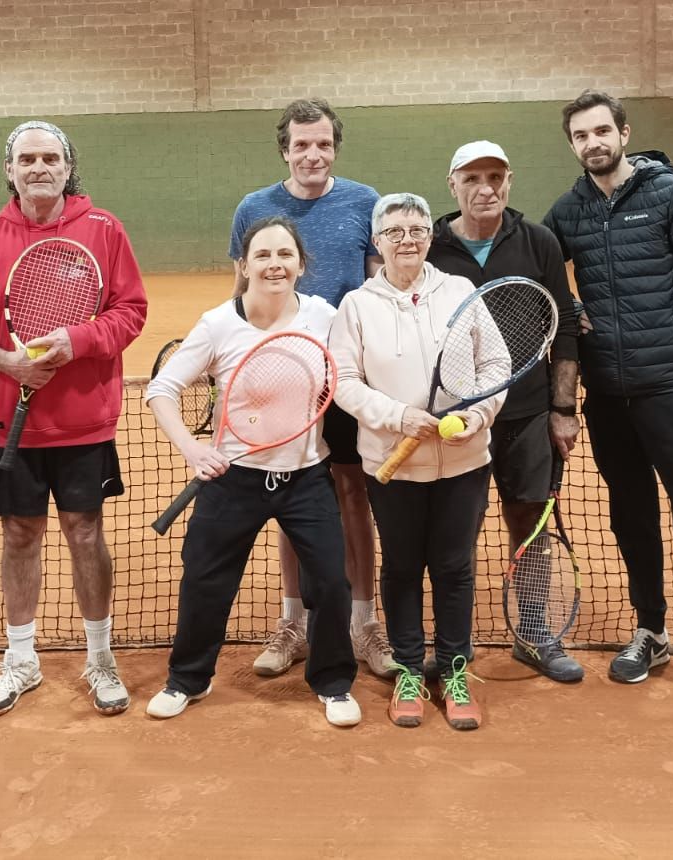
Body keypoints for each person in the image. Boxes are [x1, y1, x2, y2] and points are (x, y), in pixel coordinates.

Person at [542, 91, 673, 723]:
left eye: (602, 130)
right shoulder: (568, 211)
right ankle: (651, 631)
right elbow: (538, 268)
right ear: (572, 144)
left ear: (624, 133)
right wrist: (570, 307)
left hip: (671, 391)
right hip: (607, 397)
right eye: (581, 135)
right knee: (631, 520)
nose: (593, 142)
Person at [0, 120, 147, 718]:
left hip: (85, 421)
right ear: (9, 170)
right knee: (19, 533)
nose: (39, 167)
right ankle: (21, 659)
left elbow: (131, 311)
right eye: (27, 159)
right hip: (12, 419)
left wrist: (77, 340)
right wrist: (5, 361)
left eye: (51, 158)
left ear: (68, 167)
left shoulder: (104, 230)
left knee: (85, 532)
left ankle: (100, 658)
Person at [144, 216, 360, 727]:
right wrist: (192, 449)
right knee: (204, 581)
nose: (274, 264)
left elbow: (353, 374)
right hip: (232, 478)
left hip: (306, 475)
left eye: (285, 254)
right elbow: (162, 389)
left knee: (331, 582)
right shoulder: (218, 324)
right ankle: (187, 679)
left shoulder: (325, 317)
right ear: (243, 266)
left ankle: (333, 683)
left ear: (301, 265)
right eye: (262, 255)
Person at [229, 99, 394, 680]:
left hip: (347, 375)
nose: (313, 154)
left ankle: (363, 623)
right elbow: (240, 292)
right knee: (291, 494)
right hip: (283, 379)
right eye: (301, 144)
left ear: (335, 147)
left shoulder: (365, 201)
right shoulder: (254, 208)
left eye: (323, 143)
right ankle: (293, 623)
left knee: (352, 494)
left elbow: (378, 286)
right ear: (285, 150)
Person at [330, 194, 504, 730]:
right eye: (395, 231)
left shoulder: (461, 292)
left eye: (417, 229)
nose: (407, 239)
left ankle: (454, 670)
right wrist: (397, 417)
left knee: (454, 567)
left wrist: (478, 415)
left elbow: (495, 363)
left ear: (430, 236)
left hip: (464, 461)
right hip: (394, 462)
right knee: (402, 566)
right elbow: (344, 380)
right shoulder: (357, 305)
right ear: (377, 241)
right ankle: (409, 669)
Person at [426, 141, 584, 684]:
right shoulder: (431, 247)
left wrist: (563, 408)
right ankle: (455, 641)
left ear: (509, 181)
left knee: (529, 525)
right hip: (459, 420)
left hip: (528, 413)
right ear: (452, 185)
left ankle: (534, 632)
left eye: (495, 177)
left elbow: (564, 324)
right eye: (472, 178)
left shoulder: (539, 241)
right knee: (455, 532)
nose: (485, 188)